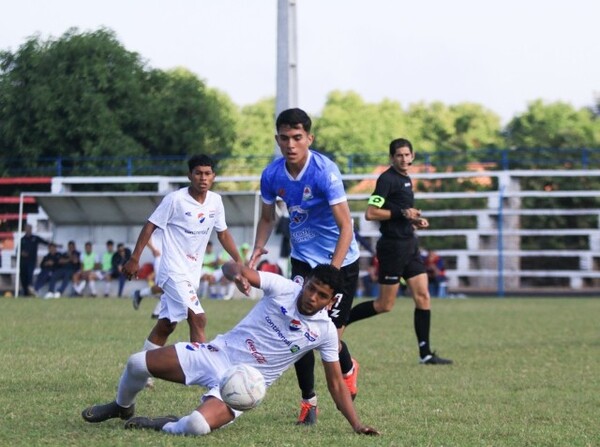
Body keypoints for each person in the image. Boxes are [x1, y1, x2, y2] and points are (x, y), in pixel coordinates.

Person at [81, 261, 379, 438]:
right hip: (217, 353)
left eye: (321, 295)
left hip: (245, 383)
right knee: (136, 363)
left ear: (331, 301)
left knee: (196, 426)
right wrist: (234, 272)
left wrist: (357, 424)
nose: (312, 297)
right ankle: (122, 405)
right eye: (311, 288)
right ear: (306, 283)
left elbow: (336, 384)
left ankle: (166, 425)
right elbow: (236, 268)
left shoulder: (325, 331)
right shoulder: (284, 288)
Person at [248, 108, 361, 425]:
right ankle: (308, 402)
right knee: (298, 326)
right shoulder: (272, 175)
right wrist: (256, 253)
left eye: (297, 137)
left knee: (330, 338)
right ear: (277, 139)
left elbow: (346, 227)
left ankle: (348, 366)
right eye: (284, 138)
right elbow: (268, 219)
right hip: (303, 259)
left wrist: (333, 273)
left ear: (309, 138)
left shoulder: (325, 172)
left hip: (341, 262)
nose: (291, 144)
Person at [123, 154, 244, 365]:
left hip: (191, 273)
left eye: (207, 174)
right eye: (198, 173)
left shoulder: (216, 201)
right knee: (198, 318)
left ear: (214, 176)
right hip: (172, 271)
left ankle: (140, 368)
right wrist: (135, 258)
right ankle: (206, 372)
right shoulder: (175, 199)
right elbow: (150, 225)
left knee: (166, 324)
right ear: (190, 175)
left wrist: (239, 262)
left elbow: (222, 234)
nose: (203, 178)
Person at [347, 138, 452, 365]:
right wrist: (404, 213)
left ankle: (425, 353)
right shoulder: (386, 179)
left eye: (407, 155)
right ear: (392, 158)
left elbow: (400, 213)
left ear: (412, 156)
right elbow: (371, 213)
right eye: (399, 155)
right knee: (385, 305)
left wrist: (415, 221)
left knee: (423, 296)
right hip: (392, 248)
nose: (404, 159)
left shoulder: (407, 179)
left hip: (410, 246)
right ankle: (340, 321)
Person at [131, 231, 163, 318]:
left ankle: (156, 313)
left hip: (169, 259)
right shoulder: (159, 220)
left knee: (167, 288)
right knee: (163, 287)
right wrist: (153, 249)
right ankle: (140, 294)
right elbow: (145, 235)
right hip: (160, 259)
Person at [18, 224, 50, 296]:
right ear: (25, 229)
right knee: (23, 277)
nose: (28, 230)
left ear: (31, 229)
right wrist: (21, 253)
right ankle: (25, 293)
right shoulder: (22, 239)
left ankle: (30, 291)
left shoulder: (35, 238)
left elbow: (45, 242)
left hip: (31, 261)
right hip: (23, 262)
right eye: (27, 228)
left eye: (29, 228)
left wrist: (55, 245)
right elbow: (18, 250)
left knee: (30, 276)